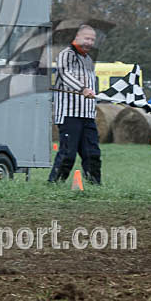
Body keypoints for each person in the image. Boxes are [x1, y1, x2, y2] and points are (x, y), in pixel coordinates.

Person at [49, 25, 101, 185]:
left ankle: (95, 185)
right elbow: (65, 75)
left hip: (87, 115)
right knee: (67, 154)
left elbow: (92, 87)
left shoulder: (88, 59)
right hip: (69, 114)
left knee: (92, 154)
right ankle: (54, 185)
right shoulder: (66, 55)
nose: (90, 42)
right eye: (87, 38)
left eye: (92, 39)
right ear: (77, 37)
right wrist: (83, 89)